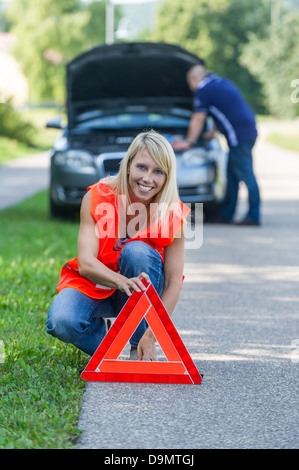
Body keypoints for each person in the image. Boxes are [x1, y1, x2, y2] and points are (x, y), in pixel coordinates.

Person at [46, 130, 190, 361]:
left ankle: (138, 343)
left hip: (140, 295)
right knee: (62, 321)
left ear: (167, 176)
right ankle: (113, 350)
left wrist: (152, 336)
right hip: (97, 286)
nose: (147, 179)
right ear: (129, 164)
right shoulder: (97, 197)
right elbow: (86, 262)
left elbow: (174, 283)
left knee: (137, 252)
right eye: (142, 167)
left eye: (158, 172)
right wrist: (121, 281)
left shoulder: (173, 214)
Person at [173, 64, 261, 226]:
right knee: (231, 176)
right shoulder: (219, 82)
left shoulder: (203, 89)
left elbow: (199, 118)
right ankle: (227, 214)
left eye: (189, 84)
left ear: (194, 79)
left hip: (239, 136)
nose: (191, 89)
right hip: (248, 130)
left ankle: (254, 216)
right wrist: (213, 132)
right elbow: (220, 111)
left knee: (246, 175)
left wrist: (188, 142)